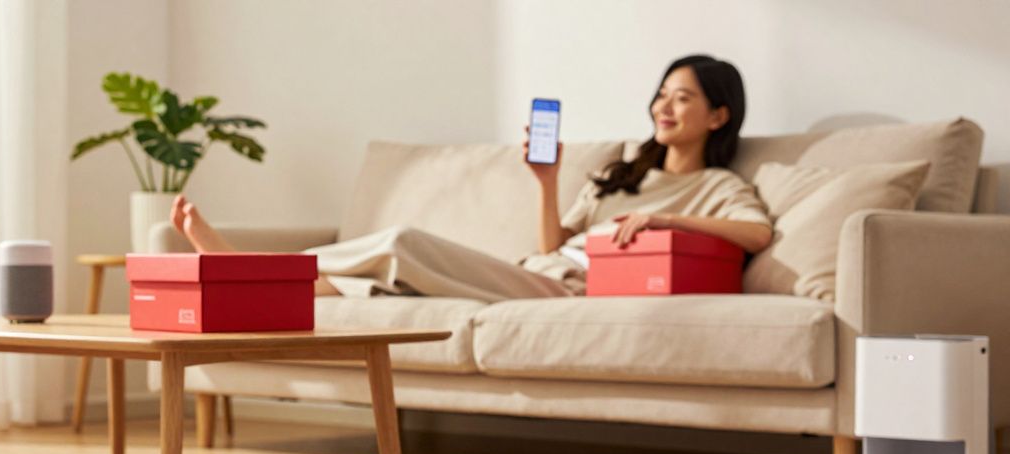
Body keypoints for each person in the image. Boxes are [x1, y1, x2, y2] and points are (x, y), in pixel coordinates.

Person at [169, 54, 772, 302]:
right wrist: (547, 180)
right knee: (377, 277)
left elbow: (756, 234)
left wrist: (664, 219)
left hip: (568, 293)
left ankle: (241, 271)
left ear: (718, 115)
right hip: (538, 271)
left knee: (401, 242)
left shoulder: (718, 185)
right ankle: (243, 285)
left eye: (683, 99)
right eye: (661, 95)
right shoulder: (621, 174)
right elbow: (548, 244)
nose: (664, 108)